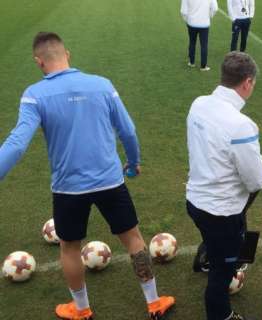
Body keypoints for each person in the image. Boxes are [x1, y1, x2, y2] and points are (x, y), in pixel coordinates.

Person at [0, 32, 175, 320]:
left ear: (39, 62)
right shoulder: (102, 85)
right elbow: (128, 130)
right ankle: (155, 304)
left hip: (68, 187)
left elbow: (17, 143)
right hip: (110, 181)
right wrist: (132, 163)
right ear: (67, 54)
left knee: (70, 247)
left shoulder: (34, 94)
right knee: (132, 238)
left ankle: (82, 310)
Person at [185, 51, 262, 320]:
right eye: (253, 83)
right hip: (221, 213)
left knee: (216, 241)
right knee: (223, 274)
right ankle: (221, 315)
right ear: (247, 82)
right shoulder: (241, 126)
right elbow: (256, 180)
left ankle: (210, 256)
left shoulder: (198, 104)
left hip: (195, 201)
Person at [181, 0, 219, 71]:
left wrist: (187, 20)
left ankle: (191, 62)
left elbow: (183, 11)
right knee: (204, 45)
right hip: (204, 23)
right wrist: (210, 16)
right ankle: (203, 66)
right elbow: (215, 8)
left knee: (192, 42)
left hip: (191, 23)